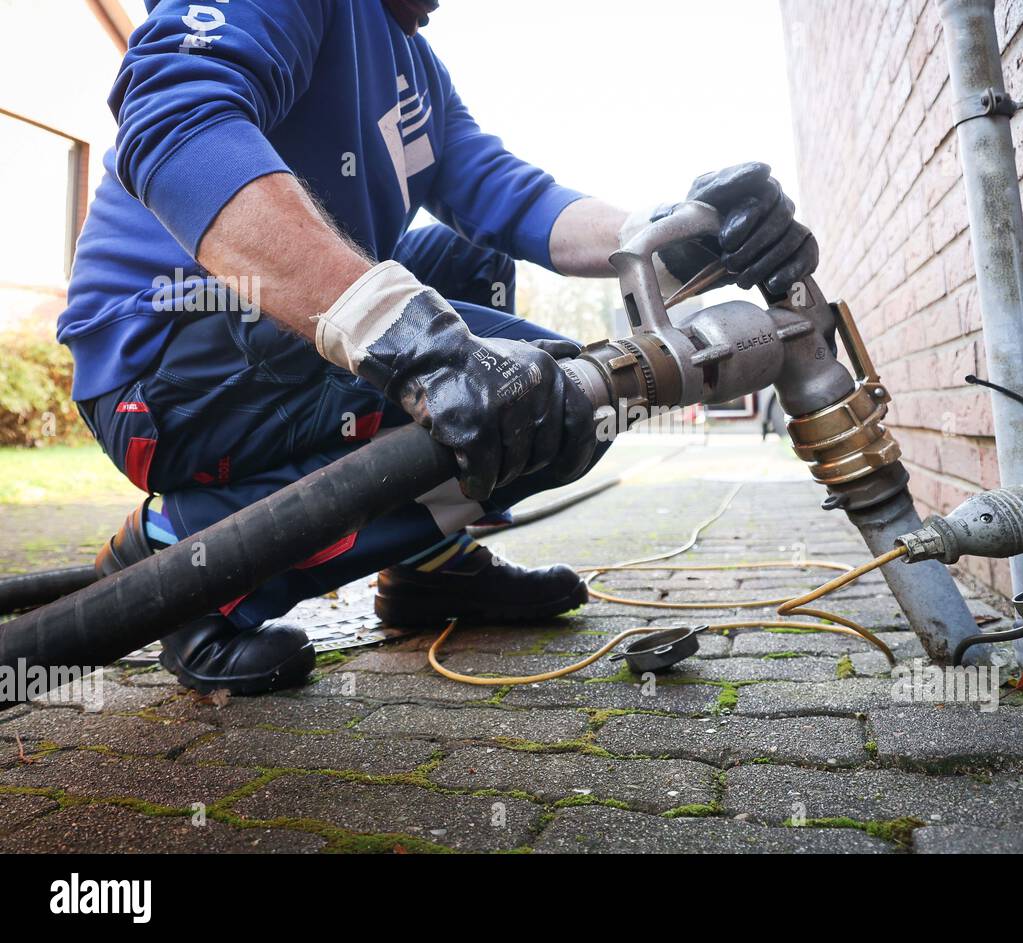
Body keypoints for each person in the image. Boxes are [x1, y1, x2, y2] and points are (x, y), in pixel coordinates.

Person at [61, 0, 818, 694]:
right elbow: (176, 112)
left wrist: (681, 233)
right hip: (160, 368)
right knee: (538, 399)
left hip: (262, 342)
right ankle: (186, 566)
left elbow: (511, 196)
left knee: (532, 362)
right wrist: (402, 333)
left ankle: (431, 569)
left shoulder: (413, 64)